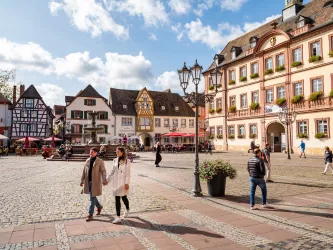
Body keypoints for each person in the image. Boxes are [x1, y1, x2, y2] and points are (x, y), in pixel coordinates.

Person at [80, 147, 108, 222]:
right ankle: (99, 206)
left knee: (92, 198)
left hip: (95, 182)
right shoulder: (87, 160)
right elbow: (84, 171)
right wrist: (82, 180)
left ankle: (90, 214)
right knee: (92, 196)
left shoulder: (100, 161)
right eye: (90, 152)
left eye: (92, 152)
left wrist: (104, 179)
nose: (90, 153)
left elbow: (103, 171)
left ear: (96, 153)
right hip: (87, 182)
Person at [107, 147, 131, 224]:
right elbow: (112, 172)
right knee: (117, 199)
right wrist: (106, 180)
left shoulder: (127, 161)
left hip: (123, 183)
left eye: (118, 151)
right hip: (116, 182)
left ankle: (127, 209)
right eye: (116, 151)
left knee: (124, 198)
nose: (116, 152)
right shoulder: (114, 160)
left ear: (122, 152)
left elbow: (128, 174)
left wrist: (127, 183)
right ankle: (118, 217)